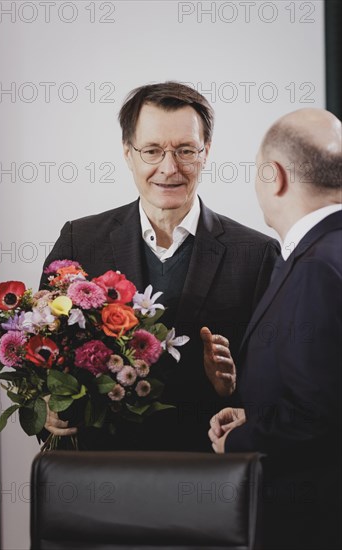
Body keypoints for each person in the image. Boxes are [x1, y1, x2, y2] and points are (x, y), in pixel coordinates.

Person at [40, 81, 279, 451]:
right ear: (127, 153)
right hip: (101, 472)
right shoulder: (80, 241)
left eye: (185, 150)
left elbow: (282, 382)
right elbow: (40, 348)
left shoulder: (257, 253)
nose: (169, 168)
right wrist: (47, 406)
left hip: (212, 474)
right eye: (152, 151)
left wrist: (235, 387)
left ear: (206, 152)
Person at [207, 108, 342, 549]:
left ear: (275, 176)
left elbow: (319, 418)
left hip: (312, 522)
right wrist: (258, 412)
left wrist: (241, 438)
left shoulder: (316, 267)